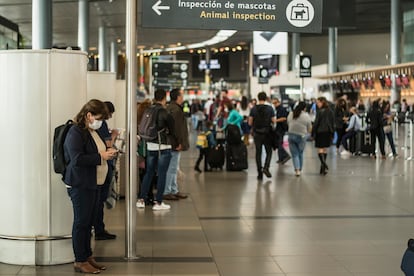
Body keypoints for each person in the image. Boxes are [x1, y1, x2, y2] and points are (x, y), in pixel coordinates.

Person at [63, 99, 117, 273]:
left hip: (94, 184)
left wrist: (106, 153)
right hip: (81, 184)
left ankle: (87, 256)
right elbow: (77, 159)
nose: (101, 122)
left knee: (89, 222)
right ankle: (79, 259)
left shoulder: (92, 131)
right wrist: (101, 156)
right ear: (89, 115)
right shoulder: (75, 132)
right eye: (99, 118)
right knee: (82, 222)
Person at [136, 89, 175, 210]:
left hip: (150, 145)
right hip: (163, 145)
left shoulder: (148, 110)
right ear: (164, 98)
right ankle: (158, 202)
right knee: (162, 173)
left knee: (149, 172)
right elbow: (172, 128)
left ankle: (141, 200)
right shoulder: (164, 111)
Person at [93, 101, 118, 241]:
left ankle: (98, 228)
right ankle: (99, 229)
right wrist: (114, 135)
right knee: (99, 200)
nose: (109, 117)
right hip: (103, 164)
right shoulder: (101, 124)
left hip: (97, 166)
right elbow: (108, 144)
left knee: (97, 201)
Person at [163, 88, 189, 201]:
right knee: (172, 168)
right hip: (174, 143)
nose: (183, 97)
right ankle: (167, 191)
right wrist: (180, 142)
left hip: (170, 142)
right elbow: (177, 129)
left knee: (173, 167)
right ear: (178, 97)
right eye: (182, 95)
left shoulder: (170, 108)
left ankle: (174, 189)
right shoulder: (176, 110)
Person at [248, 92, 276, 180]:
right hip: (267, 133)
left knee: (258, 153)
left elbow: (250, 122)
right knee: (269, 152)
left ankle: (259, 173)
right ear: (265, 98)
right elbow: (274, 121)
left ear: (258, 98)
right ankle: (266, 168)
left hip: (257, 133)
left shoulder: (253, 109)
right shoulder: (270, 108)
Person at [287, 102, 312, 176]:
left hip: (291, 135)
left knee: (294, 154)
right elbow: (309, 127)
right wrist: (308, 134)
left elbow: (288, 123)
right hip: (302, 136)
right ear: (304, 108)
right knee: (300, 153)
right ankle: (300, 169)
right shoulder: (306, 116)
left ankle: (297, 170)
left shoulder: (291, 114)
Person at [312, 97, 334, 175]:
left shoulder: (320, 112)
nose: (317, 104)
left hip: (320, 132)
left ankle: (324, 164)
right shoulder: (330, 111)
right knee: (324, 149)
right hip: (328, 131)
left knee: (320, 149)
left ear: (322, 102)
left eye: (318, 102)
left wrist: (312, 133)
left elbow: (316, 123)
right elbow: (332, 122)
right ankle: (322, 168)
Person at [272, 98, 291, 164]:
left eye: (275, 103)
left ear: (278, 102)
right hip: (277, 129)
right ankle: (281, 158)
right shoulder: (276, 109)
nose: (274, 105)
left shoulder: (282, 109)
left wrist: (275, 120)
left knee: (279, 144)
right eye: (273, 103)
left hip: (281, 129)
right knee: (278, 144)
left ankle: (285, 155)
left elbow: (284, 118)